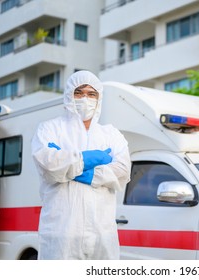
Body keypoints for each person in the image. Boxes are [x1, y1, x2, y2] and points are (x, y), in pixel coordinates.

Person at [31, 70, 131, 260]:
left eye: (91, 94)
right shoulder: (50, 128)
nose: (85, 98)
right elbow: (48, 165)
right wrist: (93, 159)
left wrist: (73, 166)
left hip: (102, 233)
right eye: (79, 92)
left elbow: (123, 171)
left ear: (99, 98)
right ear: (69, 95)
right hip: (62, 233)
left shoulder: (111, 134)